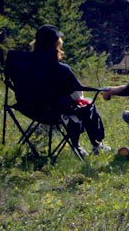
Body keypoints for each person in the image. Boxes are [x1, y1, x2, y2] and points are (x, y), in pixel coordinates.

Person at [32, 24, 110, 155]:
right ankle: (97, 144)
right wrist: (101, 89)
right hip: (55, 110)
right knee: (87, 105)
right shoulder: (61, 69)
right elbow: (77, 92)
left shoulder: (25, 65)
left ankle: (80, 143)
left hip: (30, 107)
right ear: (56, 44)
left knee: (74, 105)